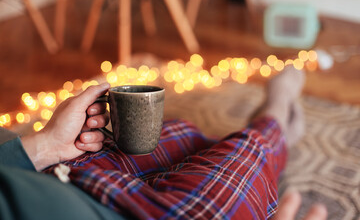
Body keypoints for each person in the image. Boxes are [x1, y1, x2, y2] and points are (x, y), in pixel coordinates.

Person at [0, 67, 327, 219]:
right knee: (239, 166)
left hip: (60, 174)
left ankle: (272, 134)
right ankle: (275, 115)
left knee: (180, 137)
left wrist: (44, 145)